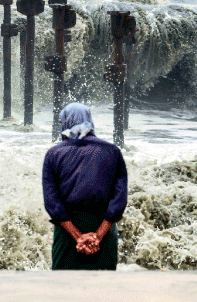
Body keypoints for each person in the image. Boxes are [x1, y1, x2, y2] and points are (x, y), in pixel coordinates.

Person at [42, 103, 128, 270]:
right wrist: (98, 237)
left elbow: (52, 202)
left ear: (64, 122)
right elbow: (119, 200)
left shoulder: (53, 154)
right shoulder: (112, 151)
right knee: (104, 284)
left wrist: (78, 237)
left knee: (64, 285)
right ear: (90, 121)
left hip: (66, 233)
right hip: (104, 230)